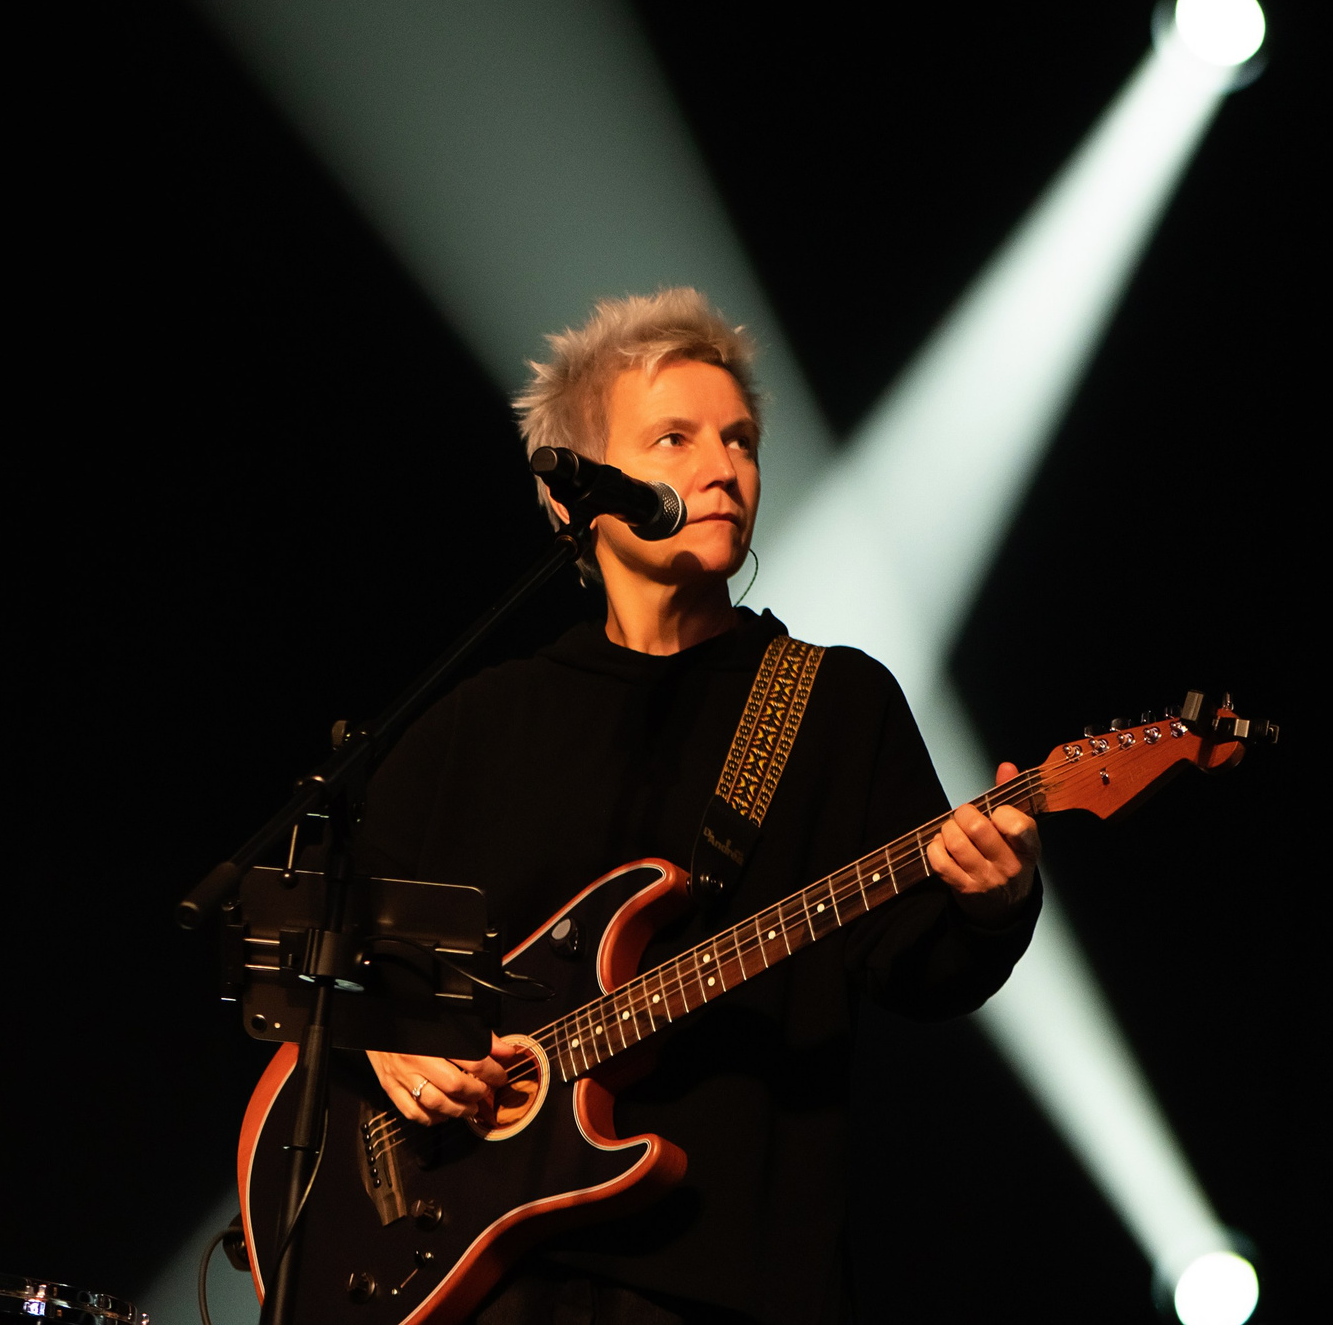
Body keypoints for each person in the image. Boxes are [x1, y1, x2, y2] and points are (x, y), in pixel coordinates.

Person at [353, 289, 1042, 1325]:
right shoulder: (474, 720)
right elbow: (338, 934)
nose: (723, 468)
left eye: (741, 440)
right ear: (569, 499)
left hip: (731, 1276)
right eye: (674, 438)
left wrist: (994, 897)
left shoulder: (830, 701)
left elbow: (921, 964)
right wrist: (386, 1036)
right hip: (481, 1277)